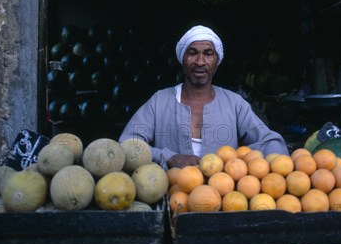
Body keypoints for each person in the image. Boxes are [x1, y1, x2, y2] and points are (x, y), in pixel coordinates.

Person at [119, 25, 289, 169]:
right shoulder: (160, 101)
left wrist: (237, 162)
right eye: (192, 53)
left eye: (208, 54)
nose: (200, 61)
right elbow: (128, 143)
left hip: (226, 198)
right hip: (171, 196)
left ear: (217, 61)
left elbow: (270, 141)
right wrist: (170, 157)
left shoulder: (234, 103)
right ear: (182, 59)